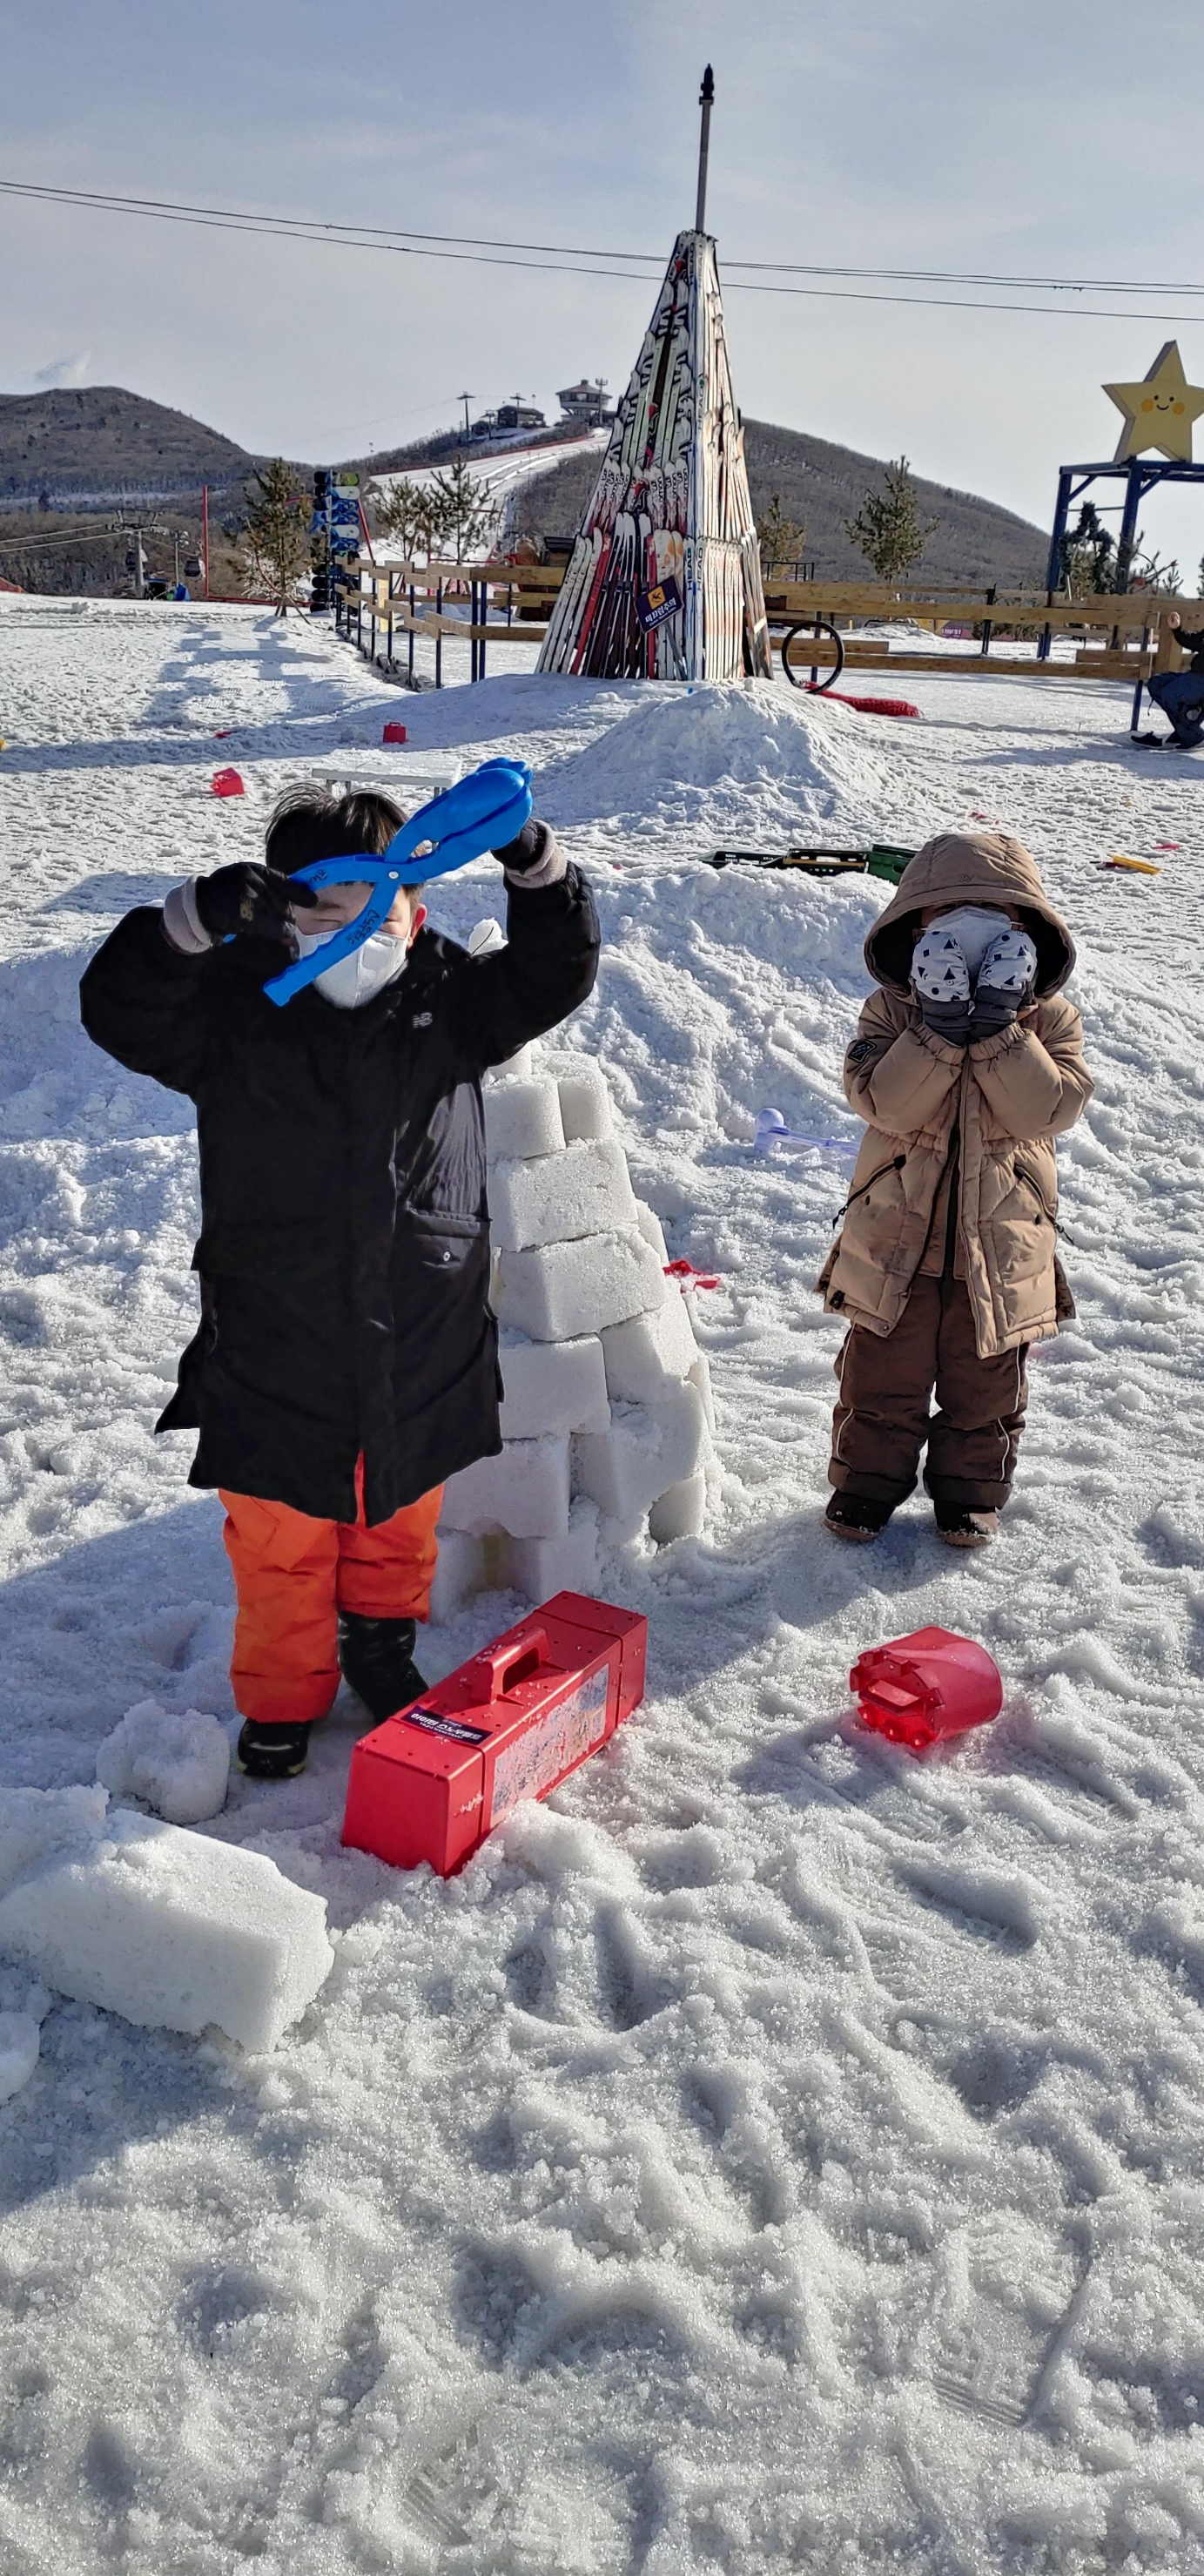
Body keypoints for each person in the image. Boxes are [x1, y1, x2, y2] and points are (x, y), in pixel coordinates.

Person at [80, 786, 599, 1777]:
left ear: (420, 906)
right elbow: (120, 1009)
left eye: (380, 892)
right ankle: (281, 1696)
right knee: (280, 1536)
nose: (354, 917)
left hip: (422, 1327)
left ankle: (379, 1646)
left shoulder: (453, 1000)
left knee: (394, 1513)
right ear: (276, 911)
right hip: (278, 1329)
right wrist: (188, 923)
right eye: (324, 898)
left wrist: (535, 861)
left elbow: (553, 970)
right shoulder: (233, 1011)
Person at [817, 829, 1092, 1548]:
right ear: (915, 930)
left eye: (993, 921)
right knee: (880, 1377)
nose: (969, 937)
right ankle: (864, 1488)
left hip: (999, 1243)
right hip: (894, 1238)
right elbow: (886, 1105)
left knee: (986, 1387)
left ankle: (969, 1495)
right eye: (949, 919)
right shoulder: (890, 1014)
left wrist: (1001, 1025)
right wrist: (935, 1028)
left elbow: (1048, 1111)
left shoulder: (1048, 1020)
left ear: (1026, 934)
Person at [1140, 610, 1204, 751]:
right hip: (1196, 676)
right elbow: (1195, 641)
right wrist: (1177, 628)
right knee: (1157, 684)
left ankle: (1195, 737)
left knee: (1171, 693)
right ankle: (1184, 733)